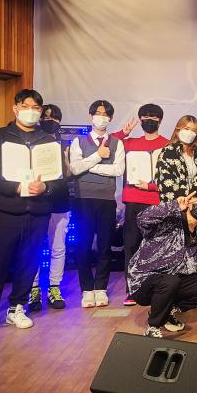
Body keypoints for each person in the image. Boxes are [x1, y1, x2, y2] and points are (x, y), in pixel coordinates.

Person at [0, 89, 67, 341]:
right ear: (15, 108)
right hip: (5, 211)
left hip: (39, 212)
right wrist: (16, 188)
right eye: (26, 106)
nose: (31, 111)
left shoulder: (49, 140)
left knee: (29, 262)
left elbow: (59, 178)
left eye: (36, 108)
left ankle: (17, 307)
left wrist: (46, 187)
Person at [126, 186, 197, 338]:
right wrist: (174, 206)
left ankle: (166, 311)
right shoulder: (169, 222)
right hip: (143, 282)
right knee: (170, 281)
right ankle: (153, 327)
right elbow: (142, 218)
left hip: (171, 280)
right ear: (189, 202)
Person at [69, 100, 125, 309]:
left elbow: (118, 170)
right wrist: (97, 156)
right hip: (83, 199)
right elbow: (75, 169)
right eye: (98, 113)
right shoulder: (78, 141)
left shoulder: (117, 143)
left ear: (110, 118)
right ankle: (87, 289)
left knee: (104, 245)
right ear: (91, 116)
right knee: (82, 244)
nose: (101, 117)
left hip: (106, 200)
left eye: (106, 114)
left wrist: (90, 166)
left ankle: (101, 287)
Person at [112, 103, 169, 306]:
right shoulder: (129, 143)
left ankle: (156, 289)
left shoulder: (168, 144)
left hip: (157, 201)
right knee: (132, 246)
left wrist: (152, 187)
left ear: (160, 120)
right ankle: (133, 290)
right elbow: (108, 144)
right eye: (145, 117)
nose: (149, 120)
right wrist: (123, 133)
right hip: (134, 201)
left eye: (153, 117)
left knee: (157, 246)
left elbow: (171, 177)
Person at [29, 103, 70, 311]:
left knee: (58, 247)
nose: (49, 121)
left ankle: (54, 287)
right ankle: (34, 288)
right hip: (36, 201)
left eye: (54, 118)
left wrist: (67, 161)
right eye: (45, 117)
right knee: (34, 247)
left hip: (60, 201)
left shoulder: (65, 145)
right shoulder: (31, 142)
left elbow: (68, 174)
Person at [155, 115, 197, 203]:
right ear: (178, 130)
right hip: (177, 204)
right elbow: (165, 182)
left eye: (193, 130)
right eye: (186, 128)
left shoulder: (196, 155)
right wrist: (186, 200)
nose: (189, 133)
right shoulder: (168, 152)